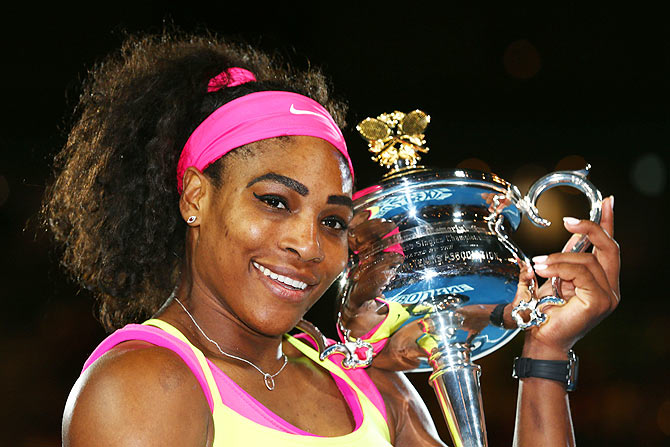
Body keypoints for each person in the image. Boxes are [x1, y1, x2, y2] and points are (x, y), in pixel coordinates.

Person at [43, 31, 620, 446]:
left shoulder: (365, 386)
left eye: (334, 221)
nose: (308, 245)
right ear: (195, 196)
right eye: (274, 202)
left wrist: (546, 352)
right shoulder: (144, 387)